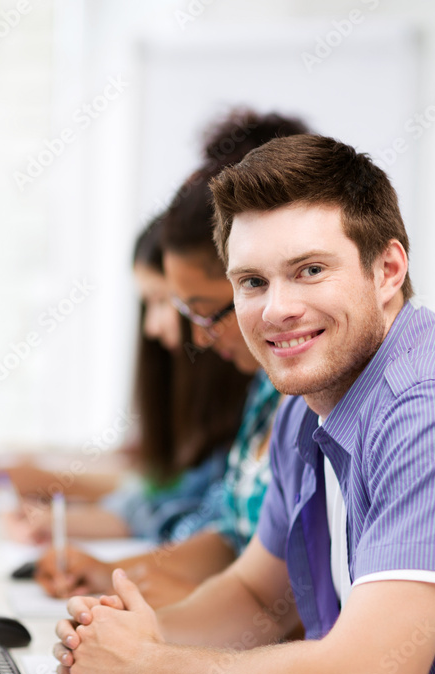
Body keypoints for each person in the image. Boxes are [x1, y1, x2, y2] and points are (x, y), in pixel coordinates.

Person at [51, 134, 435, 674]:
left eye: (309, 271)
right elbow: (254, 596)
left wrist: (147, 667)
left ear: (388, 270)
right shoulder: (304, 410)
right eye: (253, 282)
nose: (277, 309)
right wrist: (133, 636)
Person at [35, 109, 311, 607]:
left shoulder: (331, 398)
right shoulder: (268, 390)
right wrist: (120, 581)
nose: (193, 337)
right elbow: (233, 542)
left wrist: (149, 629)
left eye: (196, 311)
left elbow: (287, 607)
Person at [1, 213, 251, 544]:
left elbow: (194, 519)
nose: (152, 327)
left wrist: (58, 498)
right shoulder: (209, 403)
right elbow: (160, 489)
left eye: (162, 301)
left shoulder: (253, 399)